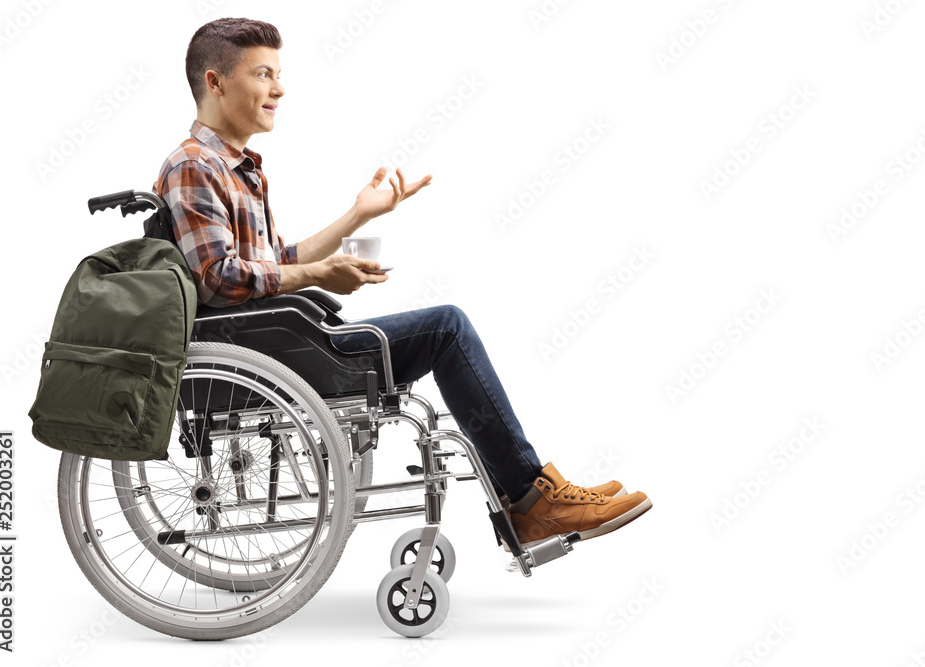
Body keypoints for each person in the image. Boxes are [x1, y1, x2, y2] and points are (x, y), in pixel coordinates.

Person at [153, 17, 651, 550]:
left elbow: (276, 261)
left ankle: (531, 498)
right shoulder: (193, 165)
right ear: (216, 81)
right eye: (263, 74)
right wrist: (318, 275)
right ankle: (533, 501)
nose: (279, 88)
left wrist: (357, 217)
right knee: (447, 329)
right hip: (258, 354)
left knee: (443, 329)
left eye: (278, 74)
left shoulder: (237, 167)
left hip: (274, 342)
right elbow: (220, 279)